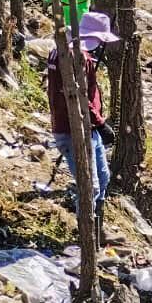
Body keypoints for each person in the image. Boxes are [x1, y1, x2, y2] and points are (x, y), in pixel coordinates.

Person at [47, 12, 116, 240]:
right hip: (74, 130)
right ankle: (86, 241)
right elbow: (79, 96)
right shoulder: (75, 58)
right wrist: (101, 122)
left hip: (88, 128)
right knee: (90, 188)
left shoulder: (65, 52)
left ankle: (98, 232)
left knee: (103, 179)